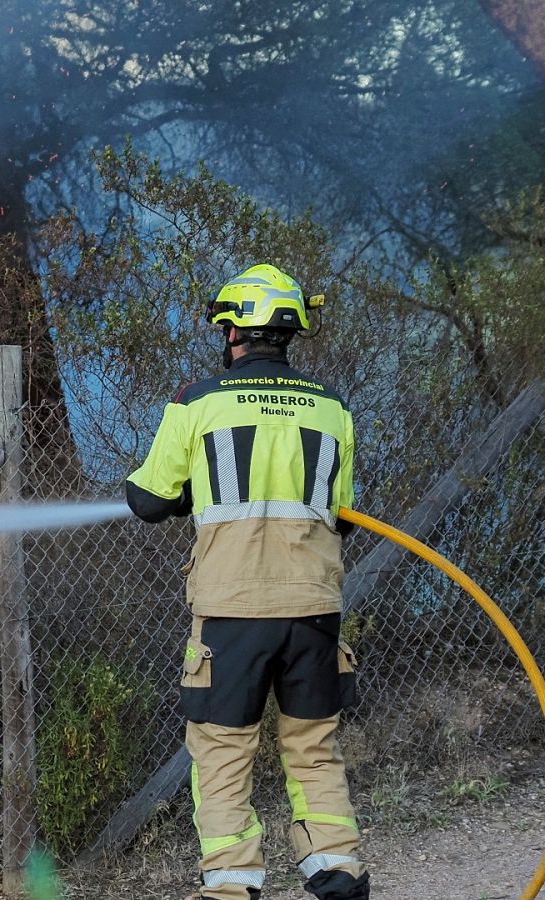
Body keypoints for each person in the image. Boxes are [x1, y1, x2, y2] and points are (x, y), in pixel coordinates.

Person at [125, 264, 370, 900]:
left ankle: (233, 886)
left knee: (223, 754)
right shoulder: (332, 409)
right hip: (313, 609)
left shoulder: (197, 403)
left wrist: (186, 496)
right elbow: (340, 514)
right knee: (313, 747)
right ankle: (337, 873)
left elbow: (149, 500)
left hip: (231, 613)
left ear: (234, 330)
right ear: (289, 331)